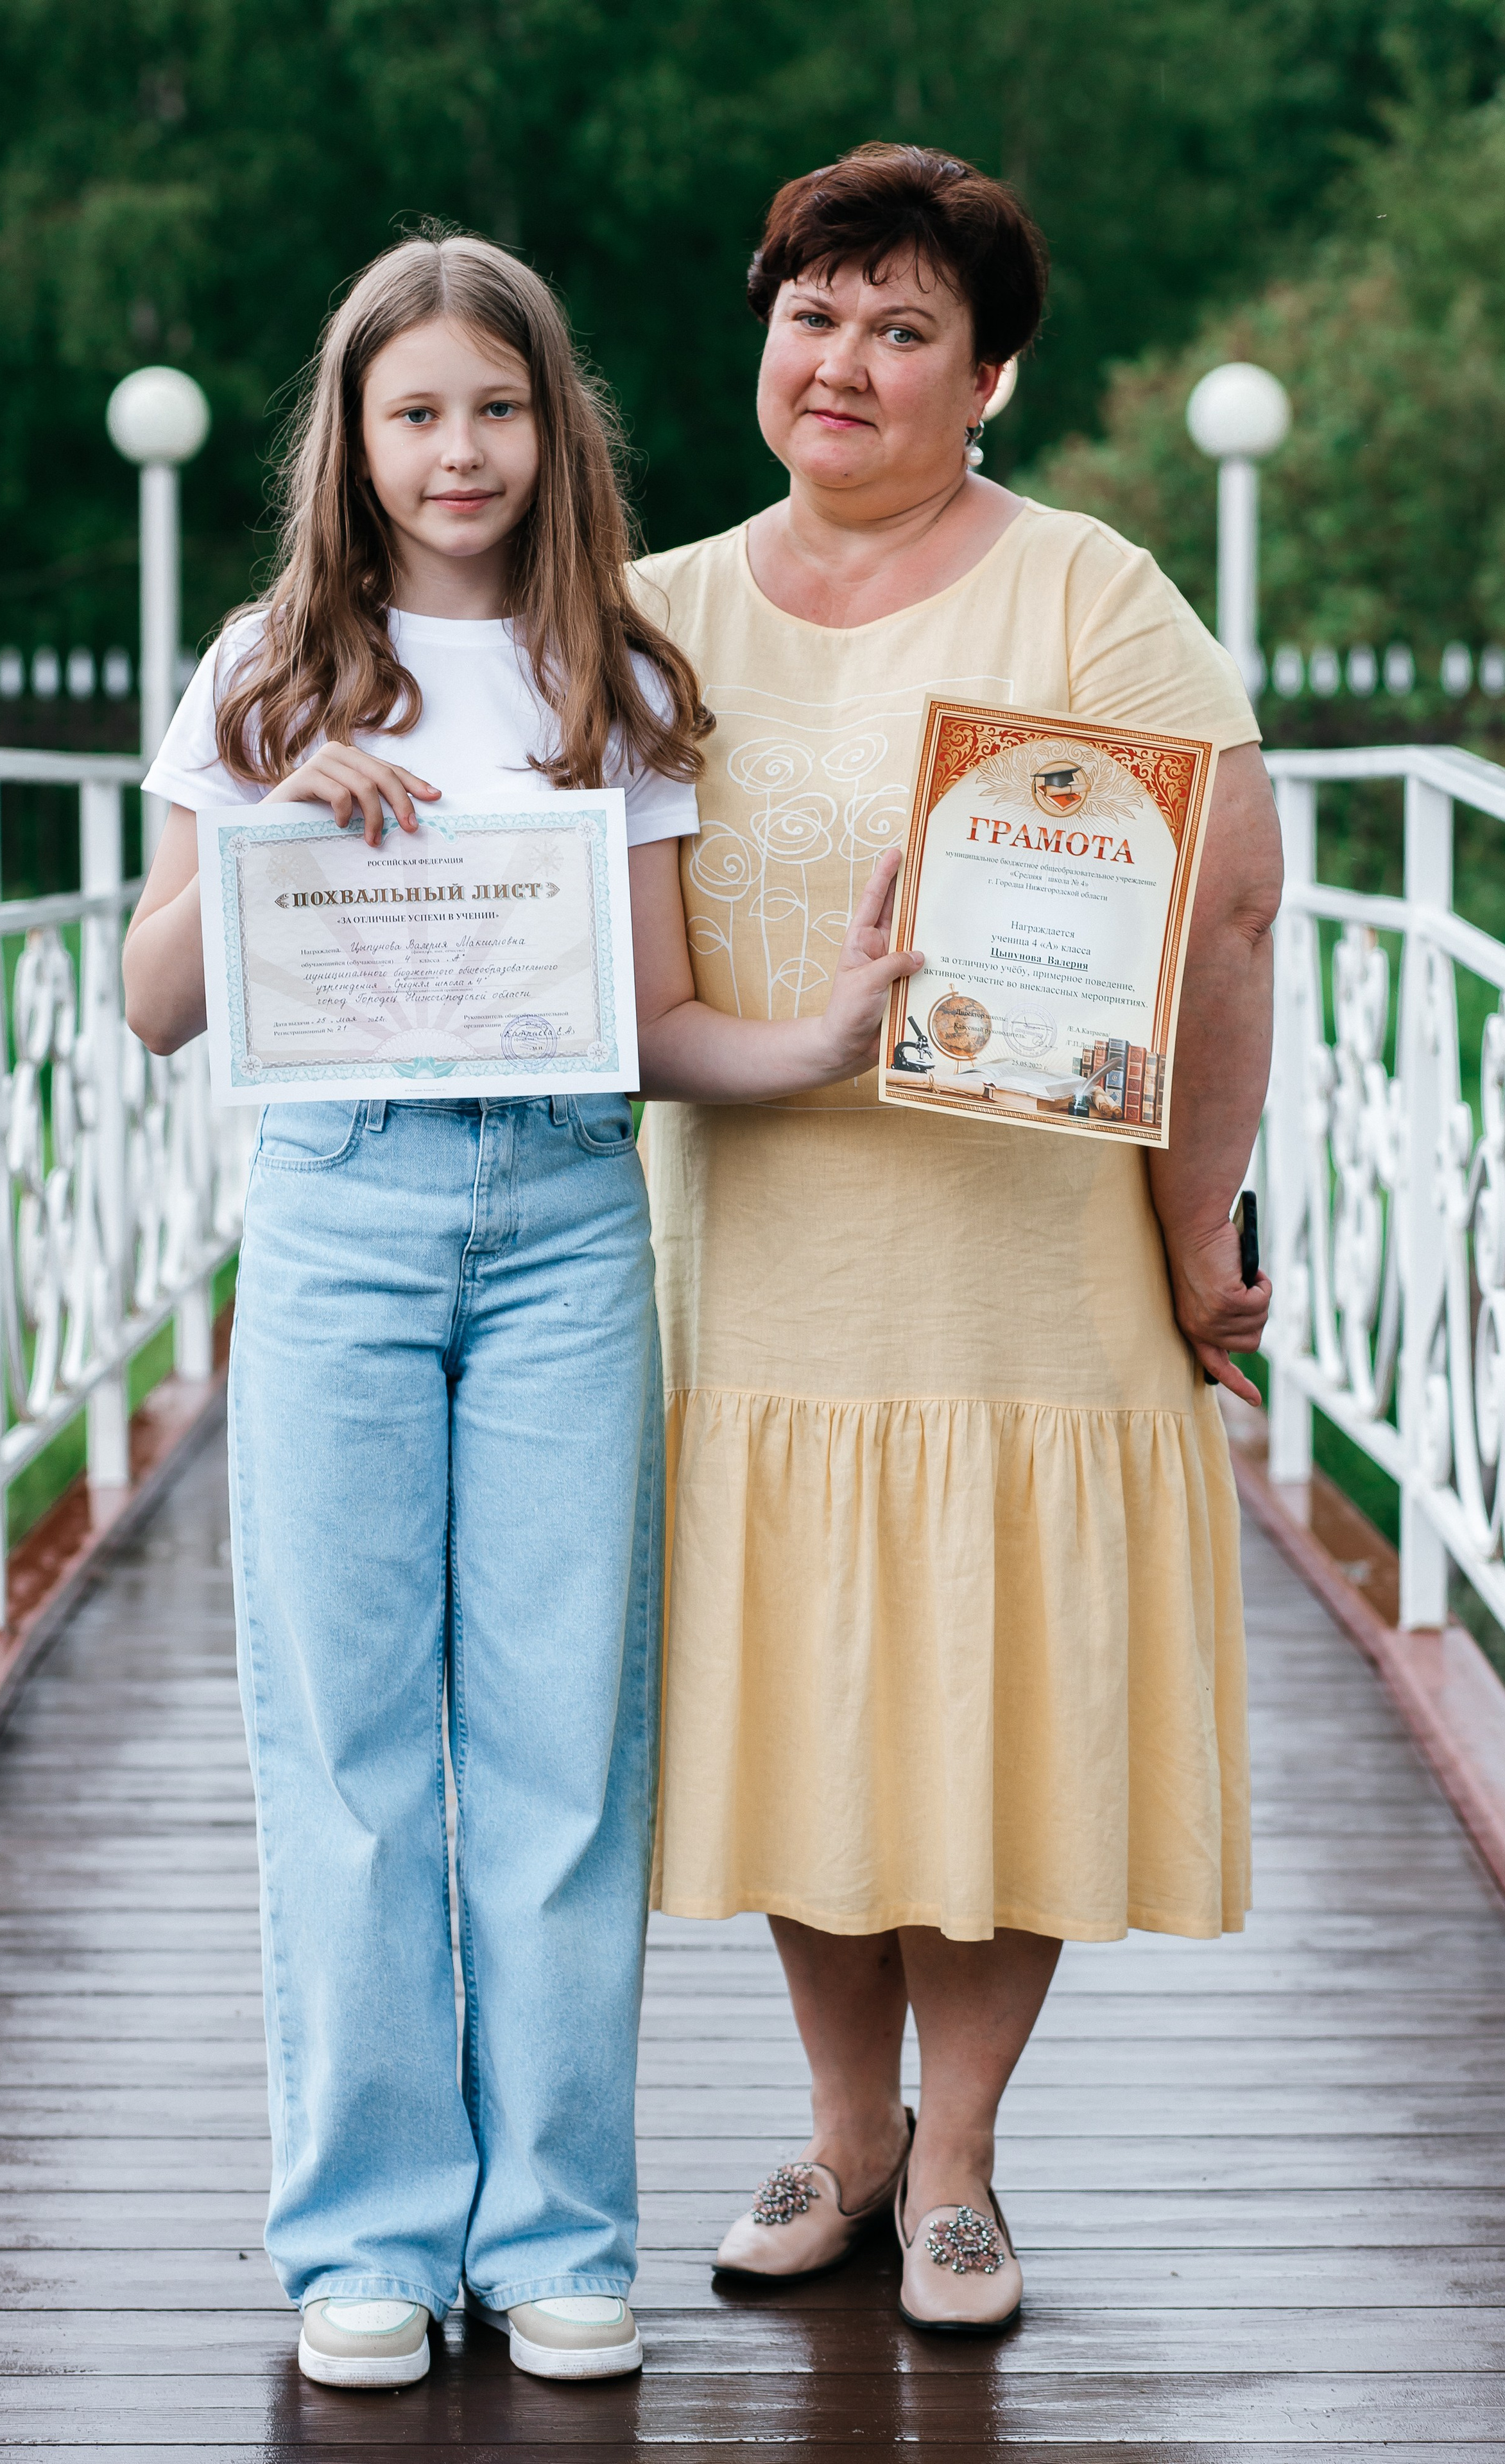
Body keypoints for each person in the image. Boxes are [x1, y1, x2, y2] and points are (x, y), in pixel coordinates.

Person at [123, 228, 916, 2392]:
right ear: (353, 437)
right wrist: (270, 816)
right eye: (415, 412)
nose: (457, 449)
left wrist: (828, 1034)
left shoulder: (613, 678)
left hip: (569, 1217)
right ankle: (368, 2242)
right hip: (344, 1211)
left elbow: (657, 1023)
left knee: (565, 1744)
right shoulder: (263, 669)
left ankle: (561, 2233)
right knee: (353, 1749)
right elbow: (155, 1001)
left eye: (496, 407)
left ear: (554, 428)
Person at [630, 144, 1280, 2332]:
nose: (844, 360)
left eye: (905, 327)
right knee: (811, 1697)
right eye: (813, 313)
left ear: (989, 376)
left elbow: (1228, 909)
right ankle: (848, 2136)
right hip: (759, 1250)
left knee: (996, 1705)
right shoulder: (653, 608)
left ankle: (967, 2166)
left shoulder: (1086, 592)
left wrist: (1199, 1225)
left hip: (1023, 1268)